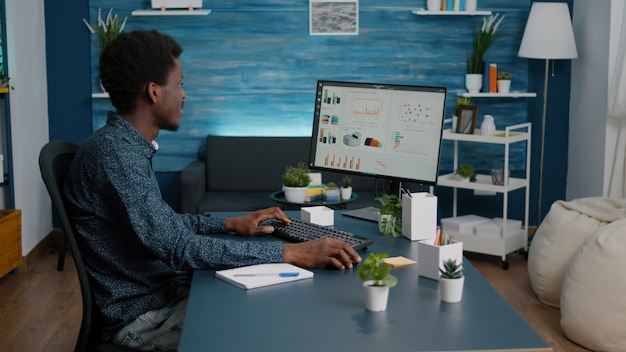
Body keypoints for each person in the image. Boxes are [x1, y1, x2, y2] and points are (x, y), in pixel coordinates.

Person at [64, 29, 361, 351]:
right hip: (144, 316)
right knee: (282, 332)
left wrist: (229, 223)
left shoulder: (120, 147)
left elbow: (164, 227)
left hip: (162, 291)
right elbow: (177, 247)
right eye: (179, 84)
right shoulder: (116, 156)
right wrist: (290, 252)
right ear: (153, 92)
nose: (184, 94)